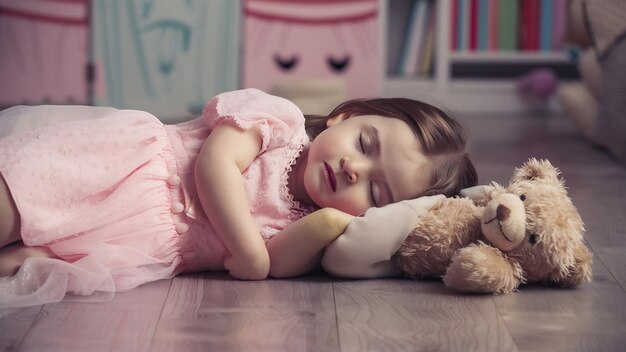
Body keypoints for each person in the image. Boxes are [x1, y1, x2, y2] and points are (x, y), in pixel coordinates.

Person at [0, 88, 476, 308]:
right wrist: (249, 252)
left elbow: (280, 261)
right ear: (344, 116)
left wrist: (341, 222)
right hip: (118, 171)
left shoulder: (311, 222)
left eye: (375, 190)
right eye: (365, 145)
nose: (355, 169)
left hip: (136, 240)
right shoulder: (281, 123)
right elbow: (216, 166)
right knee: (19, 201)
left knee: (31, 263)